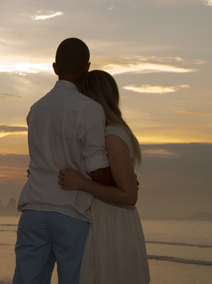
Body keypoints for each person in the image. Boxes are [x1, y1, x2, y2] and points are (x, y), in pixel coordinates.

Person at [14, 38, 113, 284]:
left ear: (55, 67)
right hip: (71, 210)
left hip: (34, 207)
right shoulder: (89, 109)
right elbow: (97, 166)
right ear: (86, 67)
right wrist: (120, 183)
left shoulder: (36, 109)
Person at [59, 69, 150, 283]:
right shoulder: (102, 135)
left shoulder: (112, 137)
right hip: (104, 219)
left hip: (112, 222)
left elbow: (129, 196)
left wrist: (82, 184)